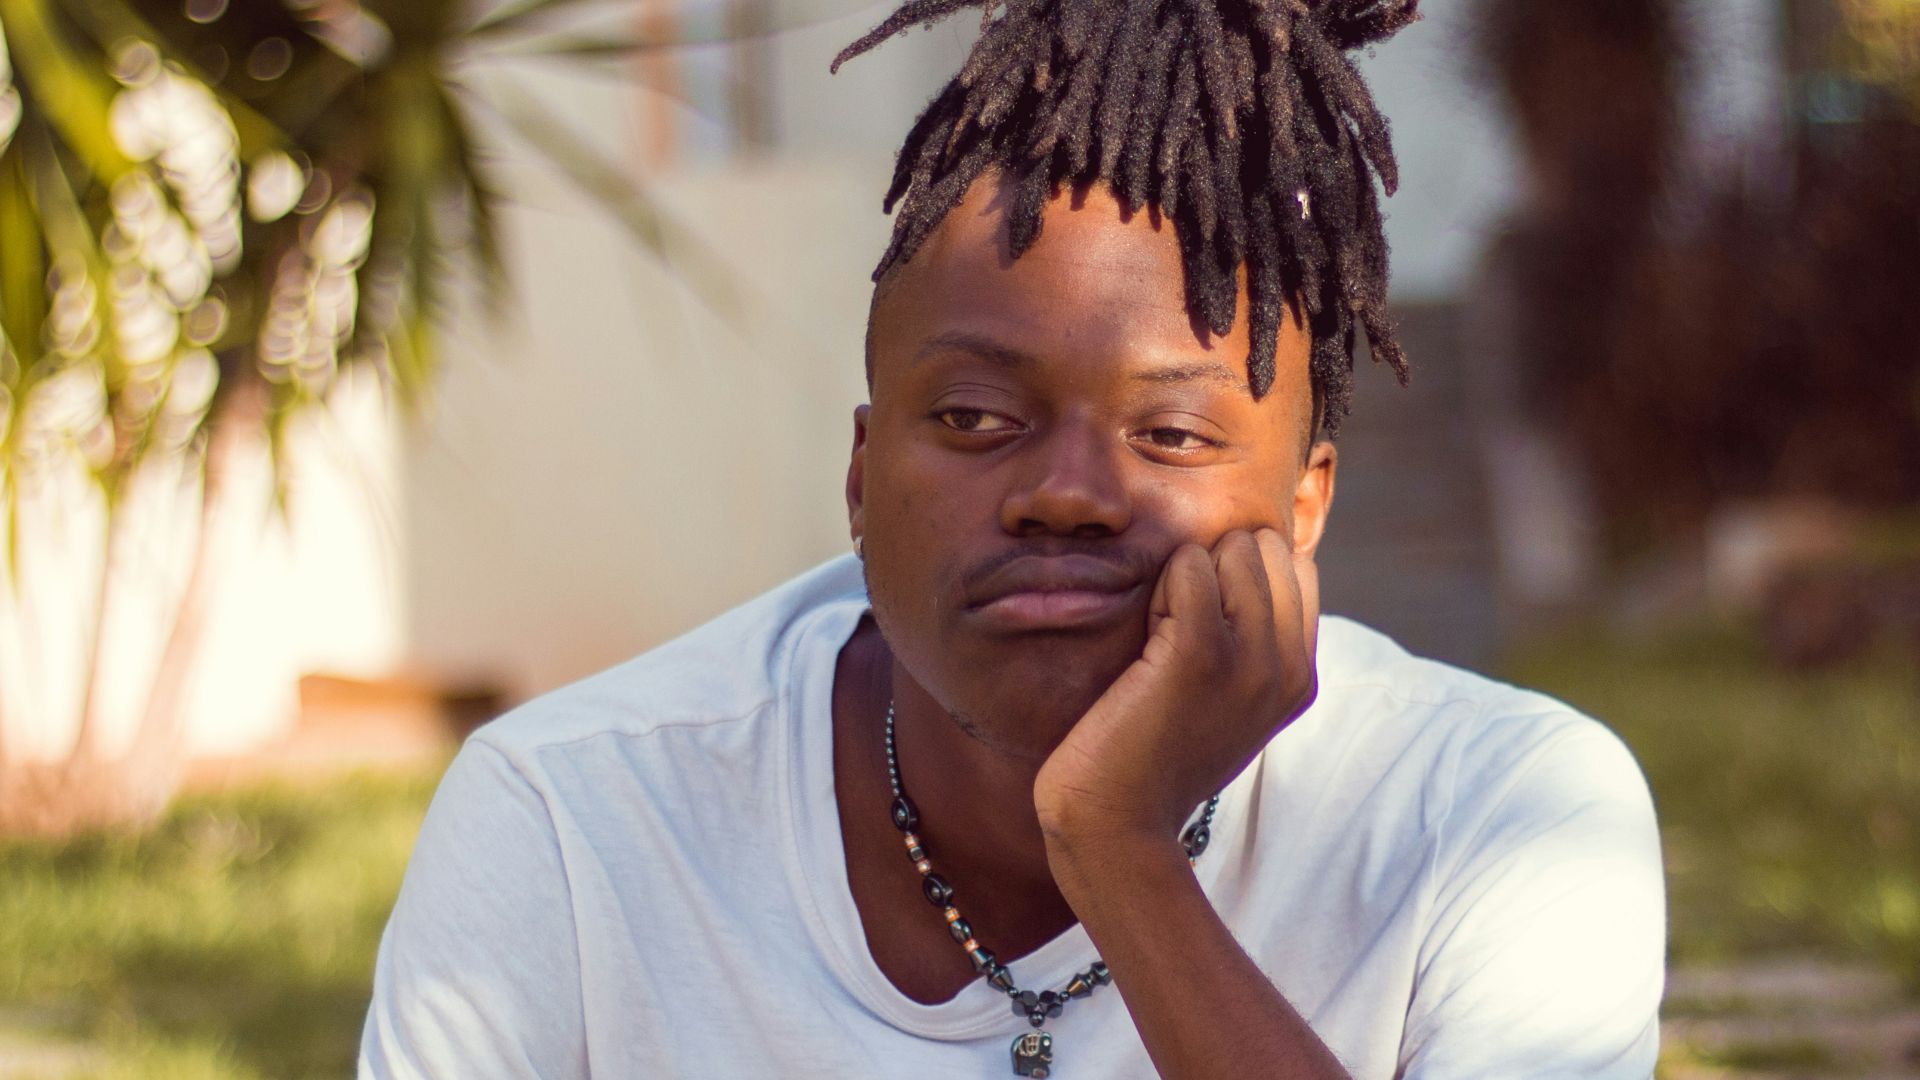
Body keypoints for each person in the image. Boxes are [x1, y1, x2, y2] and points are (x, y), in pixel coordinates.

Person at [359, 0, 1665, 1075]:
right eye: (976, 416)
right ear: (861, 476)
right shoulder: (572, 822)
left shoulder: (1502, 818)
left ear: (1306, 505)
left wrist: (1121, 854)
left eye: (1173, 433)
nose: (1067, 494)